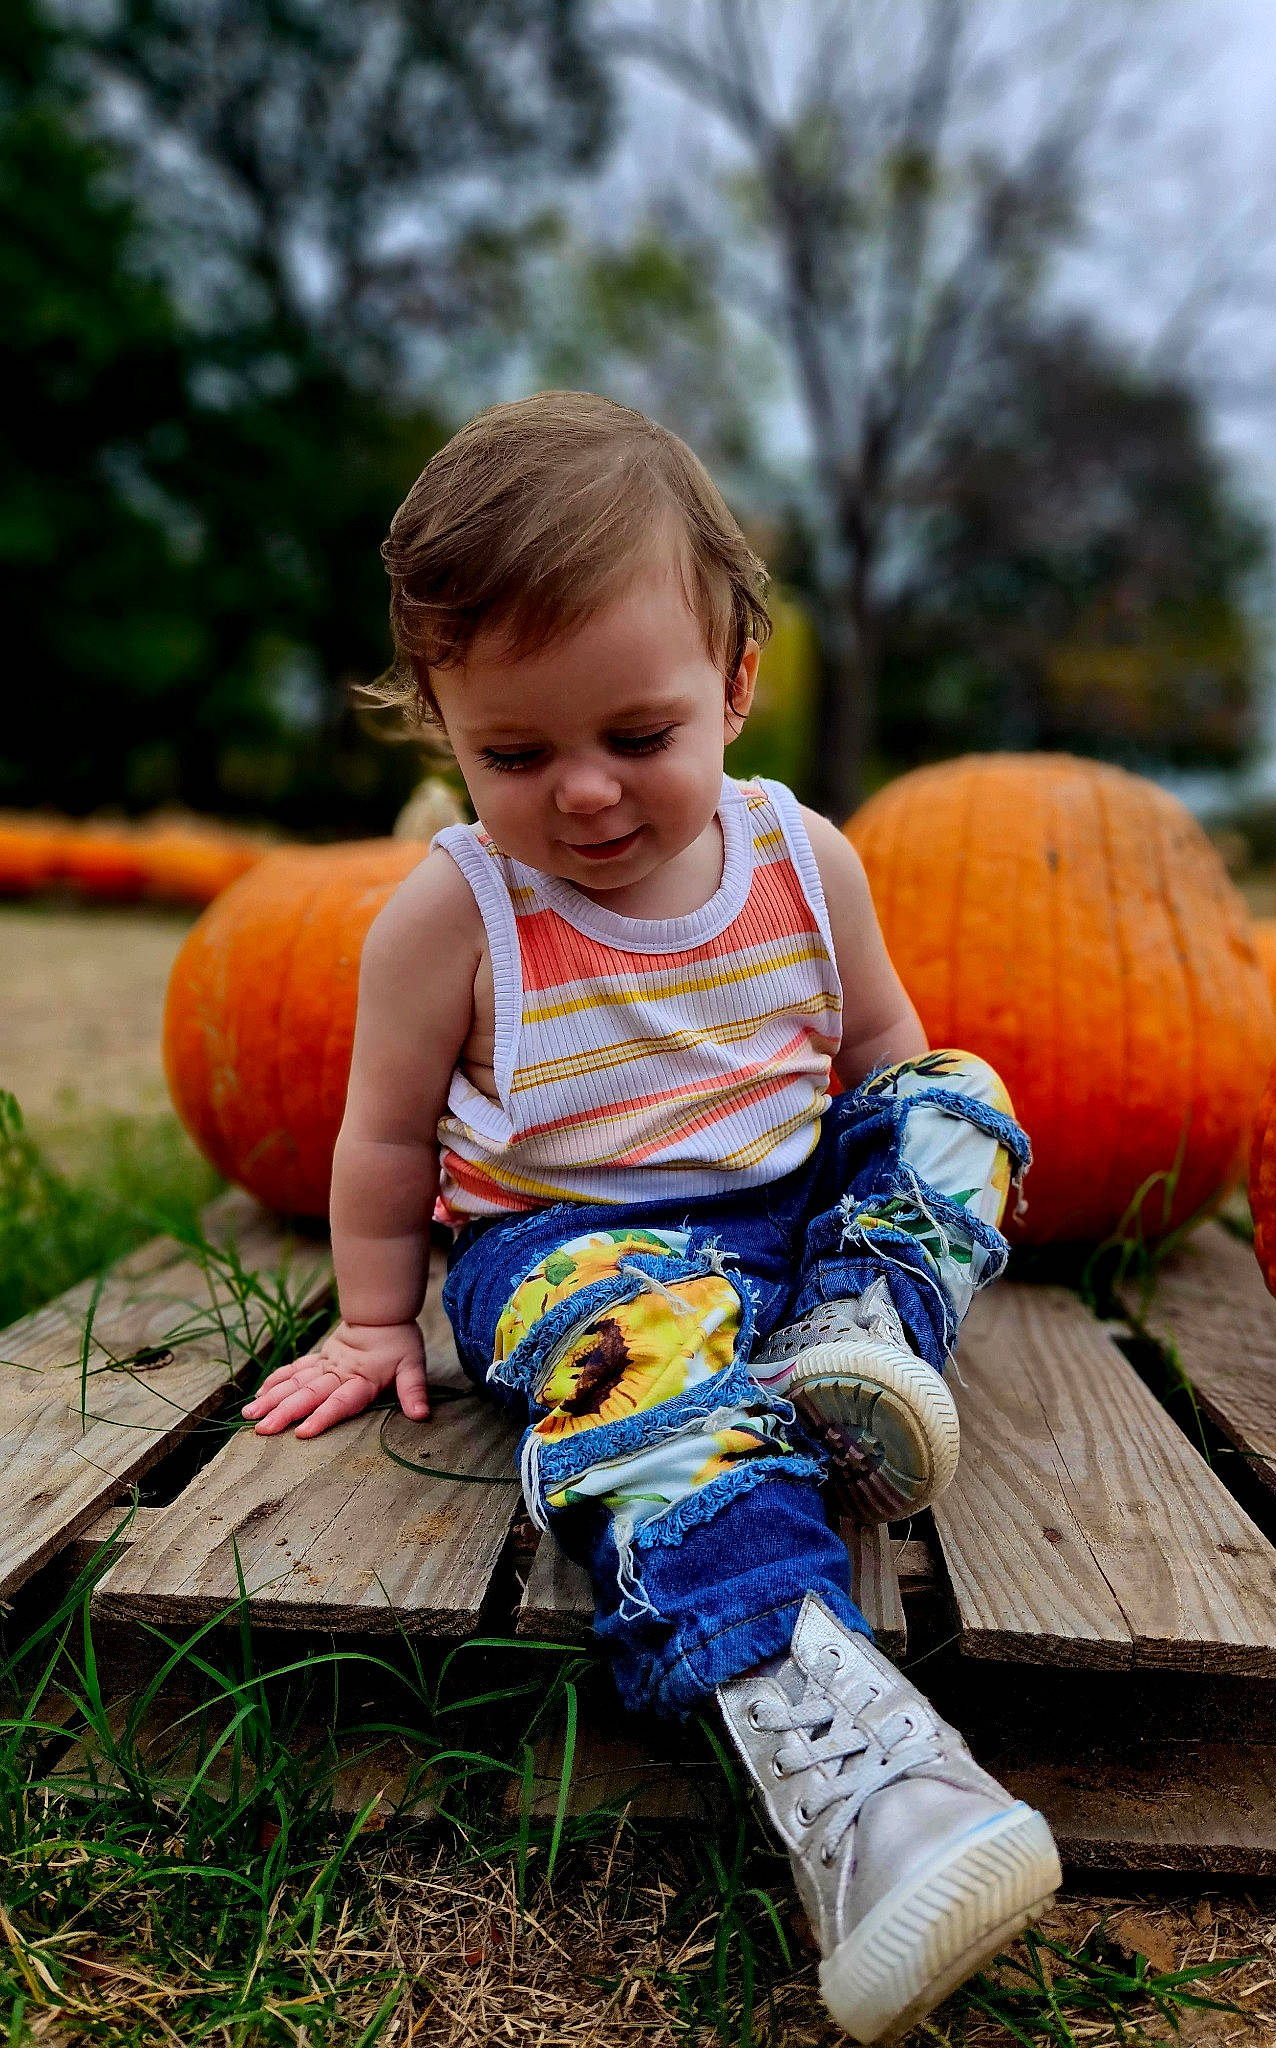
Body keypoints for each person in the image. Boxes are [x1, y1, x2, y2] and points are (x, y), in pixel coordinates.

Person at [242, 392, 1060, 2043]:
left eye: (638, 736)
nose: (585, 796)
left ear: (734, 685)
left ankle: (855, 1341)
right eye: (514, 755)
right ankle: (854, 1761)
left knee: (956, 1098)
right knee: (642, 1352)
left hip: (789, 1224)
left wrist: (881, 1190)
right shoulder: (453, 916)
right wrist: (376, 1319)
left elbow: (879, 1055)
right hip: (571, 1249)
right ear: (443, 727)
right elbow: (383, 1136)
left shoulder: (804, 859)